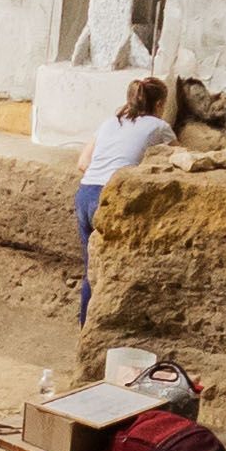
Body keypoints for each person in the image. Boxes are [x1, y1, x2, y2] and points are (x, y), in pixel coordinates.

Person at [73, 76, 175, 322]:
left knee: (92, 272)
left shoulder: (109, 122)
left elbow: (82, 163)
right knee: (113, 272)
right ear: (160, 104)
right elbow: (180, 158)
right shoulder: (159, 127)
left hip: (85, 194)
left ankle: (85, 330)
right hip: (110, 198)